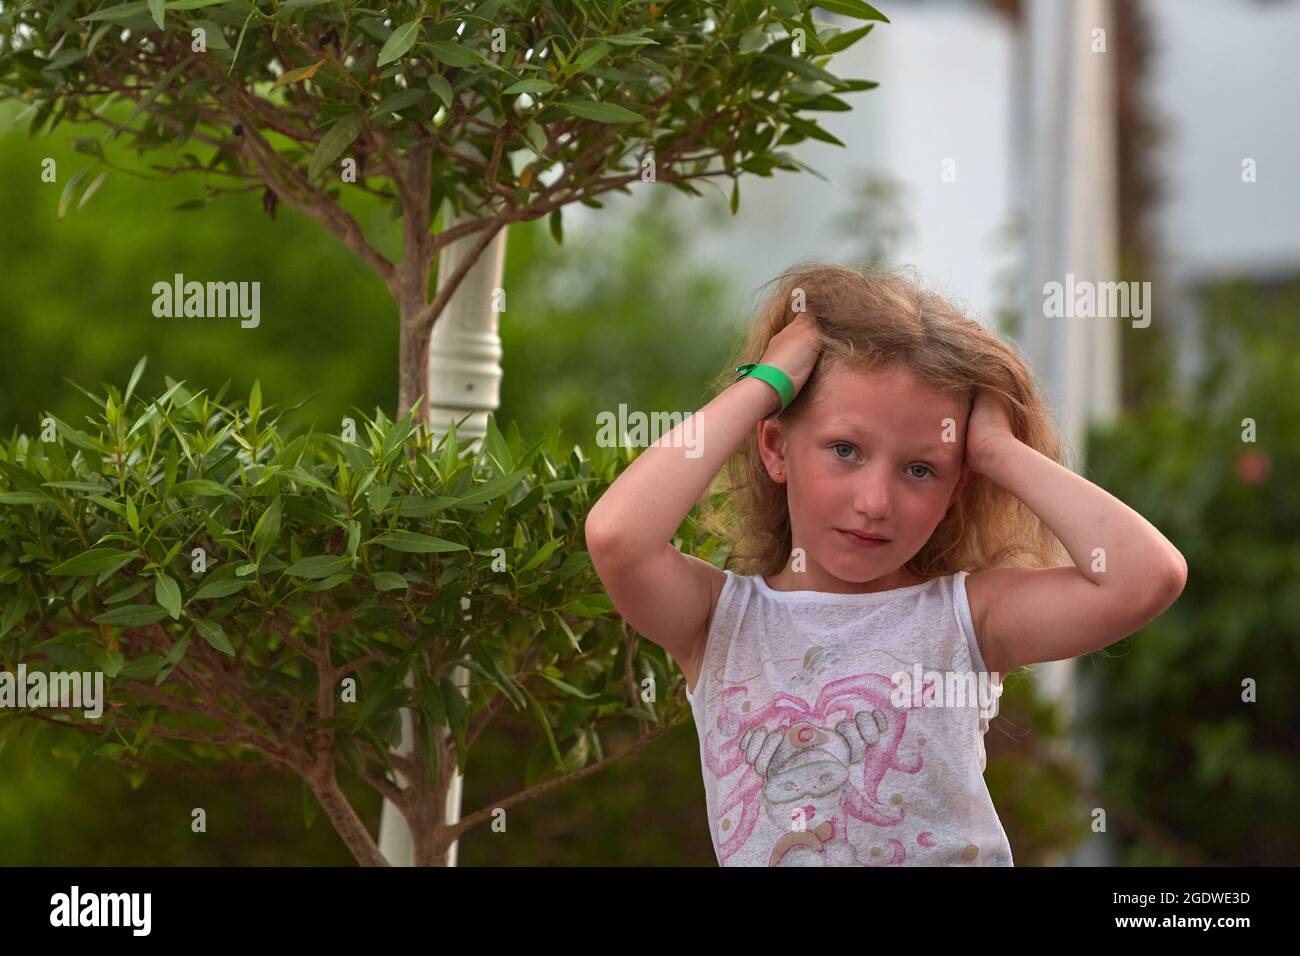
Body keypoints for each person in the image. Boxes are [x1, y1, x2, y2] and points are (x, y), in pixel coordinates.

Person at [584, 262, 1187, 866]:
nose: (875, 504)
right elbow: (617, 537)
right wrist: (763, 383)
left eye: (920, 468)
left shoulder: (966, 618)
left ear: (958, 485)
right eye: (845, 450)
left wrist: (999, 450)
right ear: (775, 447)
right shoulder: (719, 622)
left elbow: (1144, 577)